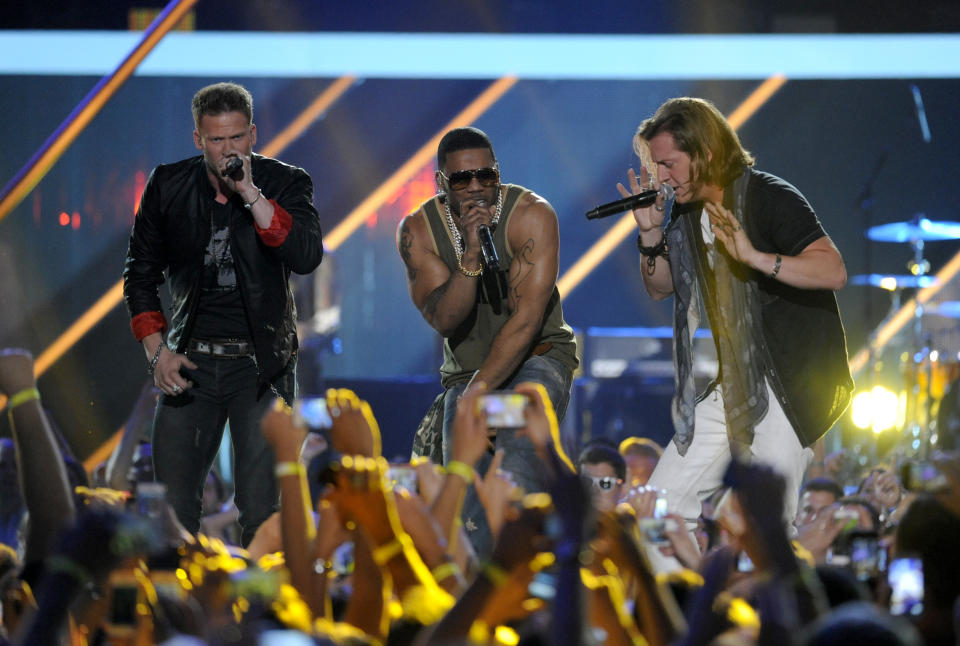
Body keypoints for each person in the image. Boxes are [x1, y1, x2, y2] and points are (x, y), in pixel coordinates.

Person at [619, 97, 853, 533]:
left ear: (705, 152)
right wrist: (650, 232)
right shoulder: (687, 214)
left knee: (768, 531)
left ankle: (777, 600)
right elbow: (660, 287)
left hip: (792, 381)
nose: (661, 178)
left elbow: (833, 270)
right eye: (656, 167)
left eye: (668, 164)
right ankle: (678, 598)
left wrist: (755, 257)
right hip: (738, 383)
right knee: (655, 512)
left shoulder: (769, 196)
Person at [123, 82, 323, 546]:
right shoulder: (168, 186)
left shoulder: (288, 182)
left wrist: (251, 195)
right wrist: (158, 354)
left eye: (236, 138)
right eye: (216, 140)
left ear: (252, 134)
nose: (227, 149)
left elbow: (306, 255)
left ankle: (264, 612)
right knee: (170, 511)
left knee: (262, 510)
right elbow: (140, 274)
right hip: (190, 362)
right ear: (198, 140)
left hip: (261, 369)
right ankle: (178, 611)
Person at [396, 126, 579, 556]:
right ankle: (473, 589)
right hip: (467, 373)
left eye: (486, 177)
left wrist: (477, 394)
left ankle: (522, 580)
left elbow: (527, 320)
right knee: (464, 484)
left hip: (536, 358)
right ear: (443, 184)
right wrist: (471, 260)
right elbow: (444, 317)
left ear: (498, 175)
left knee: (515, 466)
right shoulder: (418, 232)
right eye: (462, 180)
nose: (476, 189)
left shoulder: (532, 215)